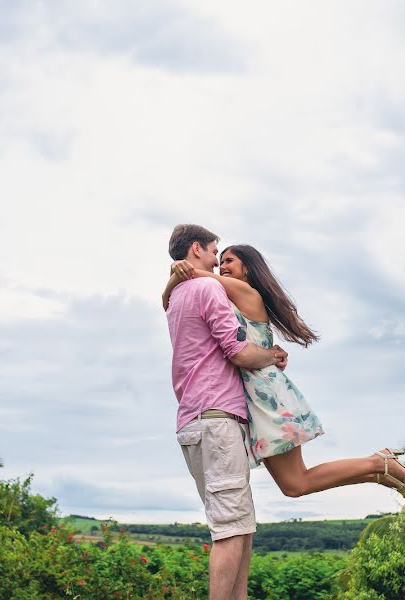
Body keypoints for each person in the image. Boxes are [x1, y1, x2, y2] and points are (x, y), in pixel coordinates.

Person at [163, 243, 405, 501]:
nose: (221, 266)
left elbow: (190, 278)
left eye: (229, 261)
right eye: (221, 260)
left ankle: (377, 463)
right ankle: (379, 470)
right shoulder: (229, 295)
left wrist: (175, 273)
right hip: (255, 397)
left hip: (266, 395)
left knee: (295, 482)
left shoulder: (244, 291)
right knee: (294, 485)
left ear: (247, 269)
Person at [165, 224, 288, 600]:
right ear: (197, 249)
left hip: (197, 419)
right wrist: (273, 356)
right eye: (214, 253)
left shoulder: (175, 297)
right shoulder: (207, 288)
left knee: (241, 525)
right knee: (232, 528)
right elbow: (239, 353)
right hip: (216, 418)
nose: (218, 262)